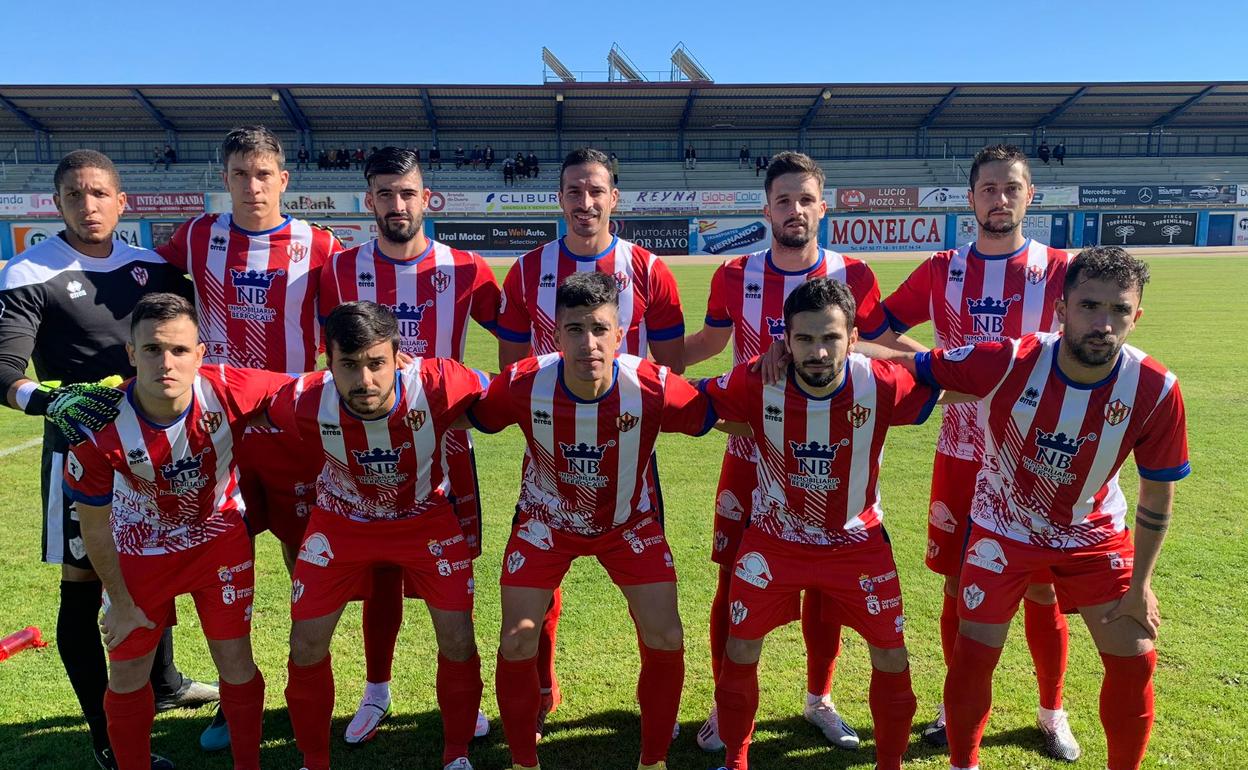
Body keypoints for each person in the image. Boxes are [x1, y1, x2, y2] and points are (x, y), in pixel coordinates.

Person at [863, 245, 1189, 770]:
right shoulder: (1007, 359)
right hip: (1002, 531)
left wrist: (1141, 584)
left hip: (1093, 534)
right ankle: (963, 763)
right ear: (1061, 309)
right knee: (973, 658)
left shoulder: (1155, 389)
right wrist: (814, 355)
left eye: (1119, 310)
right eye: (1089, 306)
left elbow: (1157, 496)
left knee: (1135, 661)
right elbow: (907, 364)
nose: (1103, 324)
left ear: (1137, 315)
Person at [682, 151, 924, 753]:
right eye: (783, 200)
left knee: (829, 584)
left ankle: (820, 697)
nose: (795, 210)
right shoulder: (735, 274)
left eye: (806, 199)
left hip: (838, 450)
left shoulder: (856, 273)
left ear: (824, 205)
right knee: (735, 578)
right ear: (767, 209)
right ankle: (723, 701)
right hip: (752, 452)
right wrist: (633, 368)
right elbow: (708, 344)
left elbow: (881, 347)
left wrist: (934, 363)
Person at [0, 150, 210, 770]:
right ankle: (105, 738)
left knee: (159, 567)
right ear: (56, 204)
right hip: (83, 454)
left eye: (98, 194)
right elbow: (4, 372)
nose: (87, 206)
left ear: (122, 202)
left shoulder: (155, 267)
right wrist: (51, 400)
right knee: (84, 586)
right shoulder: (27, 272)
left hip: (162, 449)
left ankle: (165, 684)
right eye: (73, 195)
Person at [469, 271, 721, 770]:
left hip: (628, 523)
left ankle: (653, 761)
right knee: (517, 635)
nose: (589, 342)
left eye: (601, 329)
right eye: (576, 329)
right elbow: (470, 412)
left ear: (621, 332)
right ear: (556, 335)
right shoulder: (524, 382)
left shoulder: (650, 385)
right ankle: (523, 762)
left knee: (667, 635)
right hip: (545, 522)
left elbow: (719, 412)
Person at [881, 143, 1080, 758]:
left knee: (1043, 589)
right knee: (958, 585)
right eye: (988, 189)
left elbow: (1095, 341)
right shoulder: (943, 268)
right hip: (963, 449)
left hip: (1038, 454)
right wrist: (937, 371)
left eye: (1011, 188)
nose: (1000, 199)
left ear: (1030, 195)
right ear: (970, 199)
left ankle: (1052, 710)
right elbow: (876, 327)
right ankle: (951, 706)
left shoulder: (1061, 268)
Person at [701, 277, 936, 770]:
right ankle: (736, 761)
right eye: (804, 338)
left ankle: (888, 763)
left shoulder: (882, 382)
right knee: (741, 646)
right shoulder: (755, 380)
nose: (817, 351)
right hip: (775, 539)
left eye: (830, 337)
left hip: (858, 541)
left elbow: (953, 385)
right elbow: (696, 404)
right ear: (784, 340)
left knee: (892, 655)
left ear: (852, 338)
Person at [156, 125, 341, 749]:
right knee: (215, 561)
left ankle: (301, 686)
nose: (253, 185)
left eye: (264, 174)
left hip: (289, 429)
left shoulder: (319, 245)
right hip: (212, 426)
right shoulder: (195, 237)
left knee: (301, 560)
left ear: (283, 180)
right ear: (225, 178)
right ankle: (232, 695)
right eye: (240, 174)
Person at [496, 148, 687, 734]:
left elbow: (671, 366)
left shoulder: (650, 269)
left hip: (627, 454)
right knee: (538, 588)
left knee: (646, 586)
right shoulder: (528, 270)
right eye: (574, 191)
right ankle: (541, 687)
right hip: (553, 452)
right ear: (560, 198)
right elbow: (511, 371)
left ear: (613, 198)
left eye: (596, 191)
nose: (585, 203)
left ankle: (657, 703)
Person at [317, 146, 501, 745]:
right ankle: (377, 692)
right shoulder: (340, 271)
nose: (397, 205)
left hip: (441, 447)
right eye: (384, 194)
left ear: (427, 198)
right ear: (368, 200)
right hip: (361, 447)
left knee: (451, 575)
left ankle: (463, 694)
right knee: (379, 578)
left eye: (407, 193)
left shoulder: (469, 268)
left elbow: (518, 333)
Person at [65, 292, 293, 770]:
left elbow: (314, 389)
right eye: (151, 349)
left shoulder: (231, 387)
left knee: (236, 663)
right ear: (131, 354)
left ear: (200, 354)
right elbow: (96, 528)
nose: (165, 362)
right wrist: (121, 603)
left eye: (179, 350)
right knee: (127, 672)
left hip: (219, 543)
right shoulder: (97, 424)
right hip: (138, 552)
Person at [274, 301, 489, 770]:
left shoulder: (438, 382)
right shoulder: (300, 399)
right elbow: (217, 388)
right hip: (340, 523)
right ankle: (314, 760)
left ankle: (455, 755)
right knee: (305, 644)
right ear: (327, 362)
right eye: (348, 365)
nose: (365, 380)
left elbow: (504, 388)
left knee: (457, 638)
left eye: (376, 363)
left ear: (399, 356)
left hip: (424, 518)